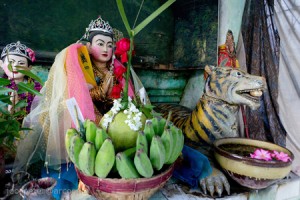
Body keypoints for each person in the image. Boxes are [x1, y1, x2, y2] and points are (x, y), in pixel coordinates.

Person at [13, 16, 148, 199]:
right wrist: (103, 88)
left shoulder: (115, 69)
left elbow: (120, 98)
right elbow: (79, 97)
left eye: (110, 45)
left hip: (110, 113)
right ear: (89, 45)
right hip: (84, 112)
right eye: (100, 43)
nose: (106, 49)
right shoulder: (82, 66)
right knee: (66, 116)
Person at [0, 41, 42, 116]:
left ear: (29, 67)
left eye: (21, 63)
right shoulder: (1, 86)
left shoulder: (35, 89)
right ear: (1, 64)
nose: (15, 66)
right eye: (11, 62)